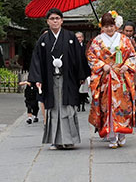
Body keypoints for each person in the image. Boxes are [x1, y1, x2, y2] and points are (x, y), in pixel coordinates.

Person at [27, 8, 91, 150]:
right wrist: (37, 78)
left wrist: (81, 75)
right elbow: (36, 59)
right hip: (50, 80)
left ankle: (69, 139)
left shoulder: (70, 37)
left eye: (57, 18)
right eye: (52, 19)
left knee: (68, 108)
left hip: (68, 78)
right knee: (53, 109)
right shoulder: (43, 39)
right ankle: (55, 140)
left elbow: (79, 57)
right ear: (48, 21)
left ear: (62, 20)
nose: (55, 21)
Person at [87, 12, 136, 148]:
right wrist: (103, 66)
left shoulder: (124, 39)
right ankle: (112, 136)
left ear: (116, 26)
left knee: (123, 105)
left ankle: (122, 134)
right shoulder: (97, 41)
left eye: (111, 26)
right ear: (102, 27)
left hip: (121, 77)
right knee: (107, 106)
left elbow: (132, 55)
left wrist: (126, 66)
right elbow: (91, 57)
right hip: (106, 78)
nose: (109, 29)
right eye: (106, 26)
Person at [74, 31, 89, 112]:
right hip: (75, 72)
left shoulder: (86, 47)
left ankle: (83, 104)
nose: (79, 39)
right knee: (76, 89)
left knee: (84, 89)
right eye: (77, 37)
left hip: (85, 70)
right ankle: (78, 104)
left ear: (82, 38)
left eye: (80, 37)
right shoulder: (72, 47)